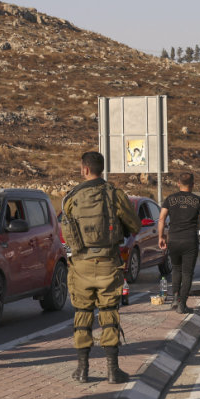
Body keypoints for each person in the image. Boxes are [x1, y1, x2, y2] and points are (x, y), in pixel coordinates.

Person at [61, 151, 142, 383]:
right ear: (101, 169)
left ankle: (83, 370)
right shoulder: (115, 195)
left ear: (84, 169)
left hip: (81, 265)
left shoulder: (70, 198)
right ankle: (112, 370)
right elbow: (134, 225)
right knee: (109, 314)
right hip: (108, 263)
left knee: (82, 314)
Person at [158, 172, 200, 314]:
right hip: (190, 240)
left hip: (174, 239)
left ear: (178, 183)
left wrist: (161, 237)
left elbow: (161, 218)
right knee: (187, 272)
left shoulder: (170, 199)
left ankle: (175, 299)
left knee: (176, 269)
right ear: (193, 185)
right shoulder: (198, 200)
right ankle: (182, 303)